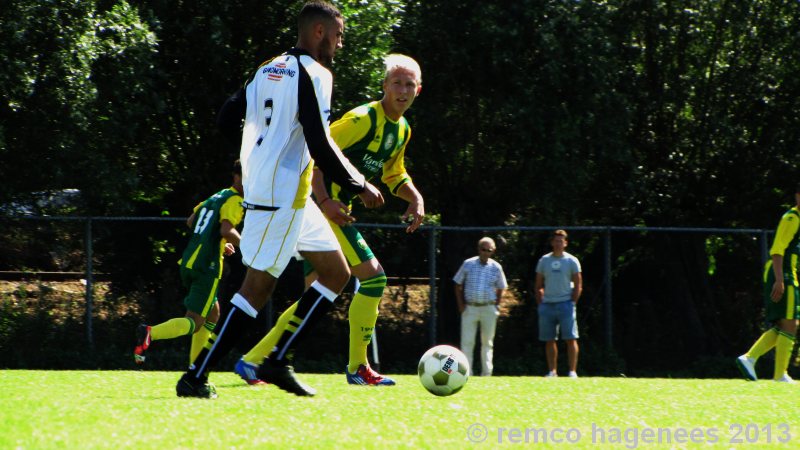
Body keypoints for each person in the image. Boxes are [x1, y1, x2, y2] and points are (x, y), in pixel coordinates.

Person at [175, 0, 383, 398]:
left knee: (338, 274)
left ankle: (278, 359)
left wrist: (258, 154)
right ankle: (195, 377)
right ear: (319, 32)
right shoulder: (315, 73)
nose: (339, 46)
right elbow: (319, 140)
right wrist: (358, 183)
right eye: (338, 36)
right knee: (256, 289)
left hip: (290, 193)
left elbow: (225, 119)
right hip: (282, 194)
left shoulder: (268, 68)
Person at [234, 53, 424, 387]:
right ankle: (358, 368)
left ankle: (252, 361)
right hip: (321, 208)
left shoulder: (402, 129)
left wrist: (415, 198)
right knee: (374, 279)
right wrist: (324, 201)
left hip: (334, 209)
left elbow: (394, 174)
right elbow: (315, 151)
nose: (403, 90)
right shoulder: (362, 119)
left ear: (418, 90)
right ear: (384, 86)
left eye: (409, 84)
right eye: (397, 82)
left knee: (314, 295)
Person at [134, 160, 244, 366]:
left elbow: (192, 220)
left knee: (213, 314)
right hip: (208, 267)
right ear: (240, 177)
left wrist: (218, 244)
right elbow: (226, 230)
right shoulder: (235, 200)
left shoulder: (218, 196)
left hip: (190, 261)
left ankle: (195, 367)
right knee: (195, 321)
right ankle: (150, 333)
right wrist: (249, 247)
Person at [736, 186, 800, 383]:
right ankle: (780, 374)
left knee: (785, 323)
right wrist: (780, 279)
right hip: (782, 273)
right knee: (790, 322)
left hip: (787, 273)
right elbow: (777, 250)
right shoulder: (792, 218)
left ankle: (749, 358)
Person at [454, 237, 507, 376]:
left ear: (493, 251)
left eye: (489, 250)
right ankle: (466, 373)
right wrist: (461, 306)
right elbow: (457, 284)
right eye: (483, 249)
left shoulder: (496, 267)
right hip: (470, 308)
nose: (486, 252)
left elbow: (502, 287)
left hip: (488, 308)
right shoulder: (468, 264)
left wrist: (497, 306)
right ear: (478, 249)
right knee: (467, 342)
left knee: (487, 343)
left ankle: (486, 374)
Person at [535, 229, 582, 378]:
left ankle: (572, 371)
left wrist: (572, 302)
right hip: (547, 305)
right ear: (552, 242)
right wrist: (541, 303)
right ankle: (552, 371)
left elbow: (578, 284)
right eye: (556, 240)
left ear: (566, 243)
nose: (558, 243)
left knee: (570, 338)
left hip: (566, 305)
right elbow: (538, 285)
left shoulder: (572, 261)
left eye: (561, 241)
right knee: (549, 340)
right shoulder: (544, 261)